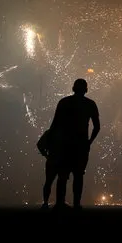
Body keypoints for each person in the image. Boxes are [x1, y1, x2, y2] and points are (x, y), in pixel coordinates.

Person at [44, 78, 100, 210]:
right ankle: (76, 203)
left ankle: (60, 203)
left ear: (73, 88)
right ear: (86, 89)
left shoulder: (64, 102)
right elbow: (97, 127)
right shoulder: (90, 104)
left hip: (64, 145)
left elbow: (54, 125)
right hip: (81, 145)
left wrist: (50, 143)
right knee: (79, 175)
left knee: (62, 175)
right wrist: (89, 142)